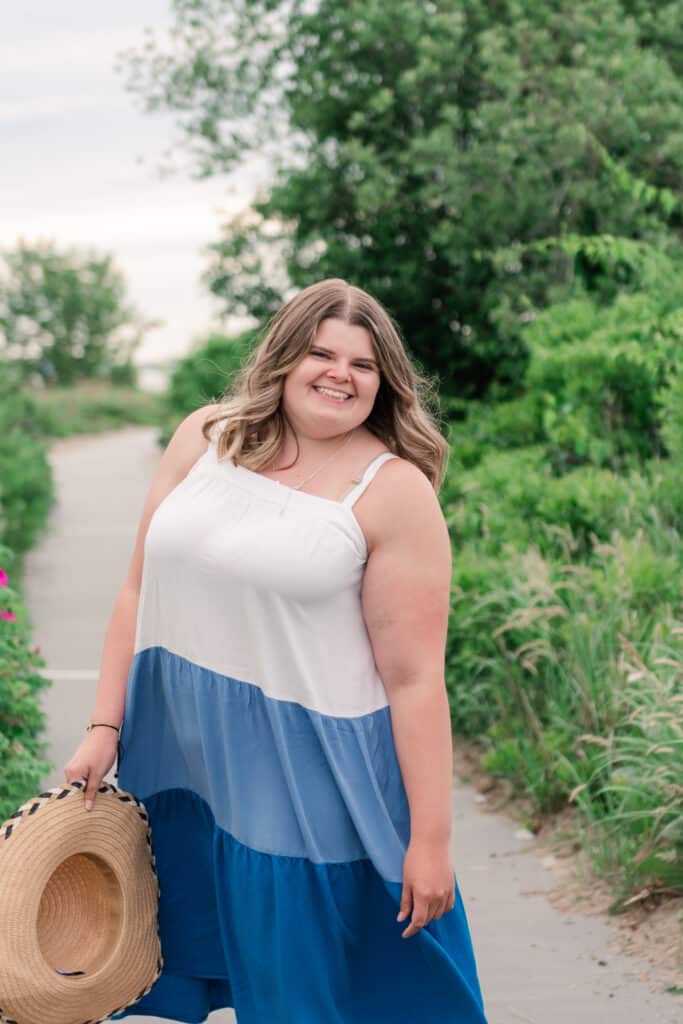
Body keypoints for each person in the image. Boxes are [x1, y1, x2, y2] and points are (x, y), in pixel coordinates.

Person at [64, 277, 490, 1023]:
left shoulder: (390, 491)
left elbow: (417, 679)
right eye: (321, 353)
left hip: (306, 784)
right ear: (283, 358)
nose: (340, 374)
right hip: (185, 767)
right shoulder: (206, 437)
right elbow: (137, 589)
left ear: (383, 382)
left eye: (362, 364)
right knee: (182, 958)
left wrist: (430, 840)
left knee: (307, 997)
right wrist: (105, 725)